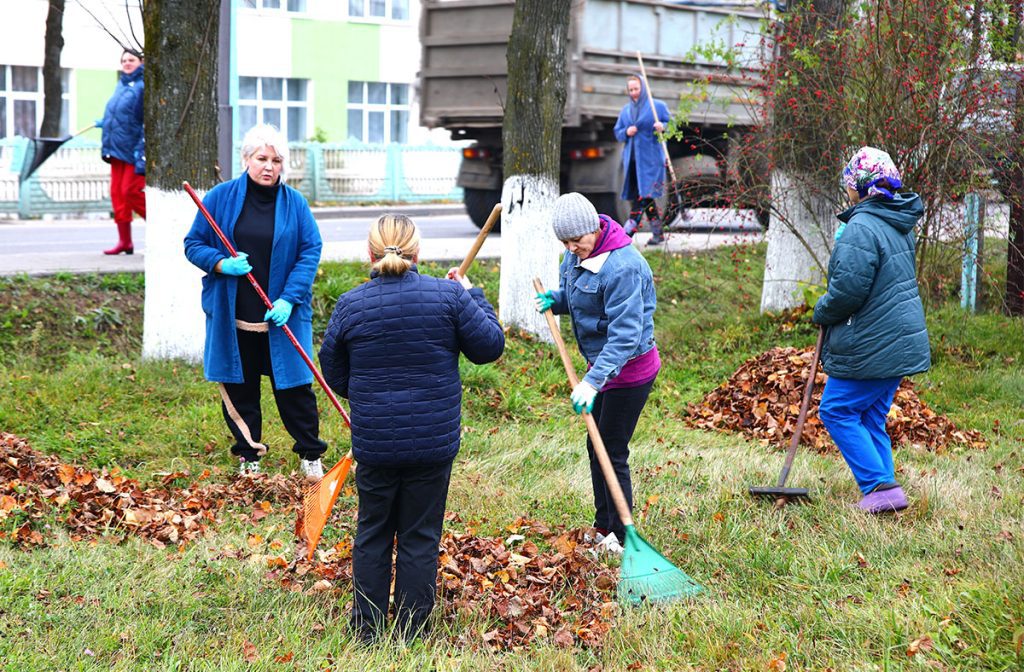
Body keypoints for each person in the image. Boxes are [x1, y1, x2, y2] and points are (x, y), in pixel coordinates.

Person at [318, 214, 504, 643]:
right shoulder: (448, 298)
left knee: (373, 531)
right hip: (432, 443)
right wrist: (471, 292)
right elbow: (489, 345)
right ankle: (412, 631)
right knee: (420, 535)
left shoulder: (351, 304)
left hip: (376, 442)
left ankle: (367, 630)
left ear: (369, 253)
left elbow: (334, 369)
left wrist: (367, 398)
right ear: (419, 253)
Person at [184, 124, 328, 480]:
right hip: (235, 318)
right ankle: (249, 456)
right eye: (262, 158)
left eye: (276, 160)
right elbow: (194, 244)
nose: (269, 166)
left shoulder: (295, 204)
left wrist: (289, 299)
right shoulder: (220, 197)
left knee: (294, 389)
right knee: (240, 387)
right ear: (246, 159)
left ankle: (310, 454)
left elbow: (310, 250)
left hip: (281, 317)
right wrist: (221, 264)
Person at [534, 192, 660, 554]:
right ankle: (603, 524)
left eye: (577, 240)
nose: (573, 248)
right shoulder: (575, 256)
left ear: (595, 228)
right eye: (566, 242)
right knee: (596, 444)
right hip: (600, 369)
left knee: (612, 449)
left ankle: (621, 537)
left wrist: (591, 382)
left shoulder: (624, 266)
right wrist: (556, 301)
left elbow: (624, 336)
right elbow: (580, 298)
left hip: (630, 371)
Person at [813, 146, 931, 514]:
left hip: (873, 343)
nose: (846, 190)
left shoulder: (861, 227)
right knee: (870, 416)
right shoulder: (895, 221)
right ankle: (886, 491)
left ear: (861, 187)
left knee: (836, 411)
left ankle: (879, 487)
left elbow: (847, 292)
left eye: (849, 184)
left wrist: (821, 309)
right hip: (898, 340)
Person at [97, 48, 146, 255]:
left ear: (141, 62)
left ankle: (164, 226)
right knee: (118, 196)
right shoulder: (122, 84)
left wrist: (141, 150)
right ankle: (125, 242)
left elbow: (143, 121)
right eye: (124, 60)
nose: (127, 63)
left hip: (133, 150)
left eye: (131, 60)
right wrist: (105, 123)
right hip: (116, 150)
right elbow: (121, 115)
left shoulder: (143, 85)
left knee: (130, 191)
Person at [613, 74, 672, 246]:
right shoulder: (625, 110)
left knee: (643, 195)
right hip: (632, 162)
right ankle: (658, 233)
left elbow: (672, 126)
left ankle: (626, 234)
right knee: (644, 197)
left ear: (643, 88)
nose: (633, 93)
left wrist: (663, 127)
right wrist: (626, 132)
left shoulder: (657, 107)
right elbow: (618, 132)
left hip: (651, 161)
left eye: (636, 89)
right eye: (630, 90)